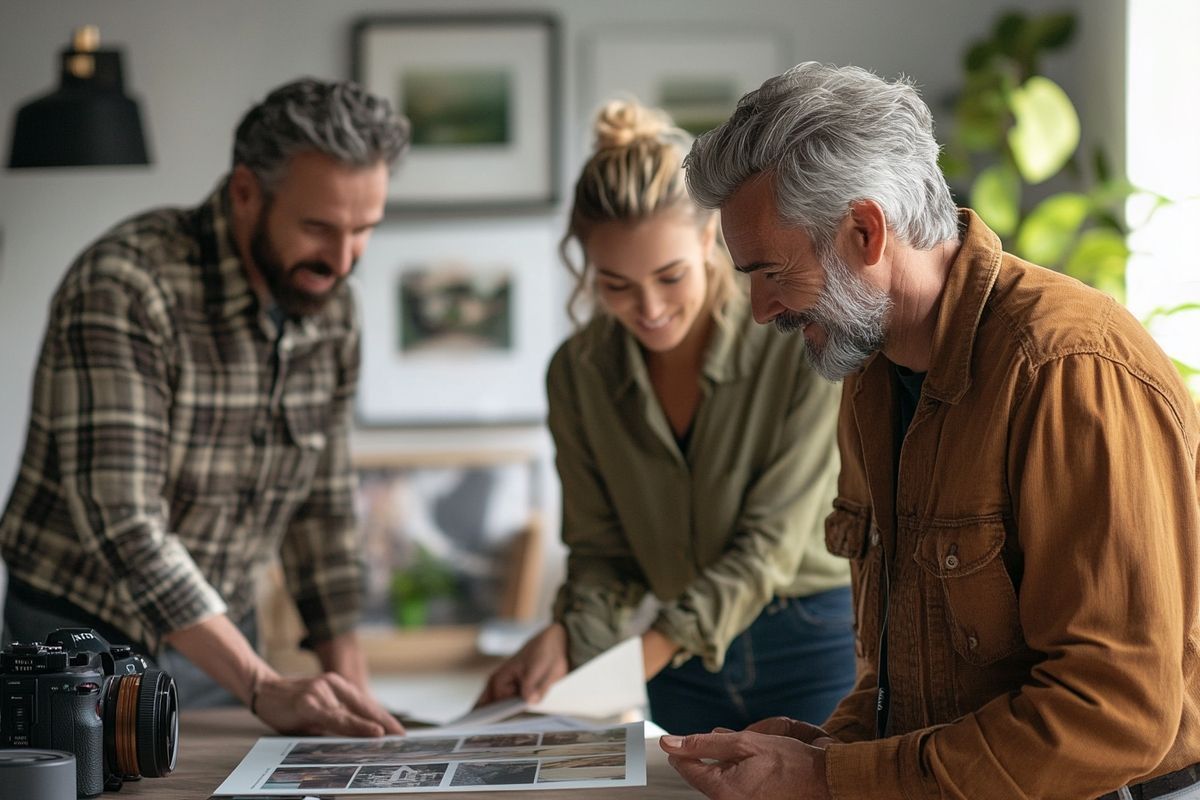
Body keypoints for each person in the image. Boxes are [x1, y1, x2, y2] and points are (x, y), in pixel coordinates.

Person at [657, 61, 1200, 799]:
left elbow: (1115, 715)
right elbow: (906, 670)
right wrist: (830, 745)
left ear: (864, 231)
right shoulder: (871, 372)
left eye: (772, 273)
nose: (760, 311)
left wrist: (828, 777)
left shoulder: (1068, 369)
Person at [0, 78, 409, 738]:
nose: (341, 260)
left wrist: (350, 680)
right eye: (318, 228)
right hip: (79, 637)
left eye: (364, 230)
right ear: (245, 193)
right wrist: (263, 684)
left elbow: (323, 506)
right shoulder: (127, 285)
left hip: (221, 640)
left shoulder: (334, 310)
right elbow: (124, 522)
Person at [476, 100, 855, 735]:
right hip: (674, 658)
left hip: (809, 641)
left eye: (669, 276)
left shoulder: (795, 341)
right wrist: (572, 646)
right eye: (615, 285)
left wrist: (623, 667)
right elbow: (601, 553)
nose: (647, 308)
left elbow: (768, 545)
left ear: (711, 239)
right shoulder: (578, 372)